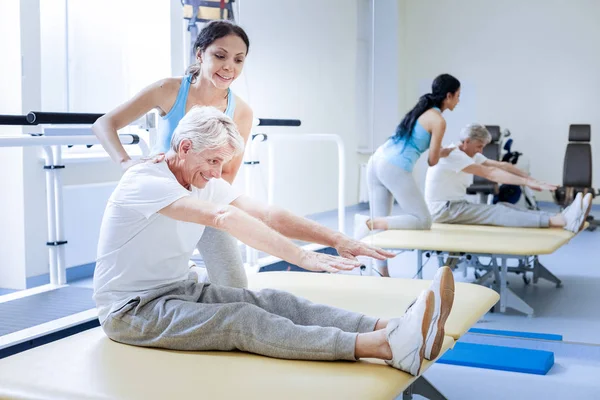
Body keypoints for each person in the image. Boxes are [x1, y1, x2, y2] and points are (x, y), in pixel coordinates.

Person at [93, 106, 456, 377]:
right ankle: (388, 347)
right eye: (214, 160)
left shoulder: (201, 179)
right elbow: (224, 217)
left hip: (180, 290)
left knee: (271, 300)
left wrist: (337, 239)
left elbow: (268, 214)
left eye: (224, 163)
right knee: (241, 319)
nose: (218, 173)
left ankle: (389, 326)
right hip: (131, 311)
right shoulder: (145, 180)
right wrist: (301, 257)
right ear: (185, 146)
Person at [92, 20, 252, 289]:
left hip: (203, 199)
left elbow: (226, 174)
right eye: (220, 56)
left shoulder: (242, 112)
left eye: (239, 60)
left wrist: (203, 211)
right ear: (200, 54)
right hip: (160, 196)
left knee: (235, 285)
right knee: (154, 280)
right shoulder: (169, 90)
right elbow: (104, 124)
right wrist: (125, 162)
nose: (229, 67)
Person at [354, 74, 461, 277]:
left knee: (381, 227)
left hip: (377, 160)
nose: (458, 100)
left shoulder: (421, 111)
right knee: (423, 220)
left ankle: (382, 273)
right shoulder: (439, 120)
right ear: (448, 95)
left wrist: (440, 151)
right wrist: (441, 153)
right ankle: (368, 223)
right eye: (457, 95)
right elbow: (432, 161)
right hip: (394, 166)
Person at [424, 123, 593, 232]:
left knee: (505, 206)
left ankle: (560, 217)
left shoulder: (468, 154)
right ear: (466, 141)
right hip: (442, 211)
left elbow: (502, 166)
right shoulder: (453, 155)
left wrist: (532, 180)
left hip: (453, 206)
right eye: (479, 146)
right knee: (498, 211)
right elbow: (490, 173)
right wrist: (526, 182)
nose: (481, 151)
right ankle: (563, 221)